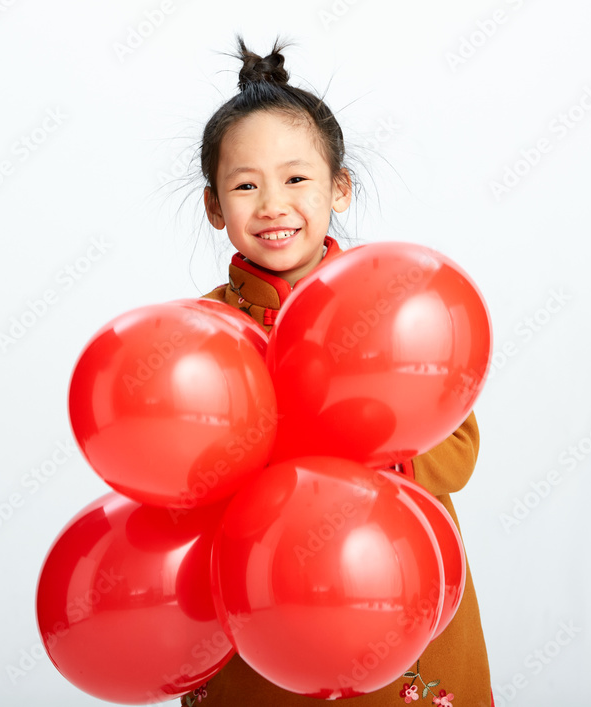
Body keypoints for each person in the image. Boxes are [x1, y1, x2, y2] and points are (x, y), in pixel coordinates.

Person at [183, 35, 493, 707]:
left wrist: (360, 448)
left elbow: (459, 449)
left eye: (296, 179)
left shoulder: (392, 308)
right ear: (214, 206)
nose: (272, 204)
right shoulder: (198, 337)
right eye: (245, 185)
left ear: (340, 188)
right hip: (257, 596)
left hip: (387, 580)